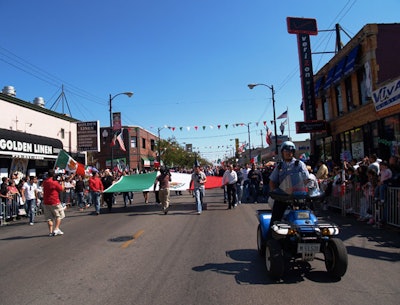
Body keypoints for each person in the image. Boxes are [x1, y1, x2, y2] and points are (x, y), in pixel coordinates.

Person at [268, 141, 310, 231]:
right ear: (282, 152)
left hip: (298, 197)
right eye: (286, 151)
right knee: (275, 220)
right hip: (282, 197)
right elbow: (272, 181)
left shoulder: (299, 164)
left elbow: (306, 180)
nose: (288, 153)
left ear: (293, 152)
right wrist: (274, 193)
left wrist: (307, 190)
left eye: (291, 151)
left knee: (308, 217)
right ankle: (271, 240)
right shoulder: (279, 166)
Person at [42, 169, 65, 236]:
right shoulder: (54, 182)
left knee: (49, 218)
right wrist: (62, 181)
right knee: (59, 215)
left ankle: (50, 232)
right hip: (54, 201)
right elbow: (61, 189)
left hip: (46, 202)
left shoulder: (45, 182)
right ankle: (56, 228)